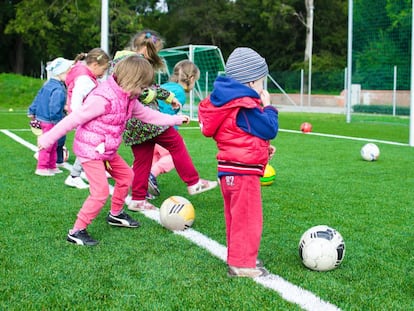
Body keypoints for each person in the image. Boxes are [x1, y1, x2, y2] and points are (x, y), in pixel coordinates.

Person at [37, 55, 190, 246]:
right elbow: (73, 119)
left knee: (127, 177)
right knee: (100, 192)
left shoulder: (129, 98)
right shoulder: (102, 99)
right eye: (143, 87)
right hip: (90, 151)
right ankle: (76, 231)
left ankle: (115, 214)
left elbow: (148, 115)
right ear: (131, 81)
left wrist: (174, 119)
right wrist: (48, 138)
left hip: (106, 150)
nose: (145, 92)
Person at [112, 29, 217, 211]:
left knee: (142, 160)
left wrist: (169, 98)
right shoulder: (134, 62)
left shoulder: (120, 60)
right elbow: (141, 91)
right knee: (176, 143)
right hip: (147, 119)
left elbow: (150, 87)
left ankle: (138, 199)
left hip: (131, 124)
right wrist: (155, 98)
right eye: (155, 51)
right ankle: (193, 182)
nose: (155, 55)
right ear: (145, 48)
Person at [198, 47, 278, 278]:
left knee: (236, 218)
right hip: (243, 174)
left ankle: (239, 256)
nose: (263, 88)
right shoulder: (244, 106)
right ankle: (242, 264)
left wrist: (262, 150)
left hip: (229, 170)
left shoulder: (226, 104)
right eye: (262, 82)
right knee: (248, 219)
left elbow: (240, 135)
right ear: (252, 82)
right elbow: (269, 127)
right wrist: (269, 107)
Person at [149, 60, 201, 195]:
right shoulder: (180, 93)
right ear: (192, 78)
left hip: (148, 128)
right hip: (161, 129)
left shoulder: (167, 86)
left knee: (152, 158)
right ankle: (151, 175)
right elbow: (164, 110)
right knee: (175, 154)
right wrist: (174, 121)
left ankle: (136, 178)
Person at [64, 48, 111, 190]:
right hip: (83, 118)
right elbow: (77, 98)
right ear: (95, 65)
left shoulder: (86, 75)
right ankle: (74, 176)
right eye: (103, 69)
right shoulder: (85, 79)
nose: (104, 74)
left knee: (95, 144)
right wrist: (79, 117)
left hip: (84, 116)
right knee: (90, 146)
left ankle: (87, 171)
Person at [28, 57, 73, 176]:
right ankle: (42, 167)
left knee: (53, 144)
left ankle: (51, 166)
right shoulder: (58, 89)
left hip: (43, 119)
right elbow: (55, 107)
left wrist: (31, 111)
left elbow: (38, 98)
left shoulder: (47, 85)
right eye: (68, 72)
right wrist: (58, 121)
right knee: (49, 145)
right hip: (51, 121)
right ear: (61, 73)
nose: (69, 75)